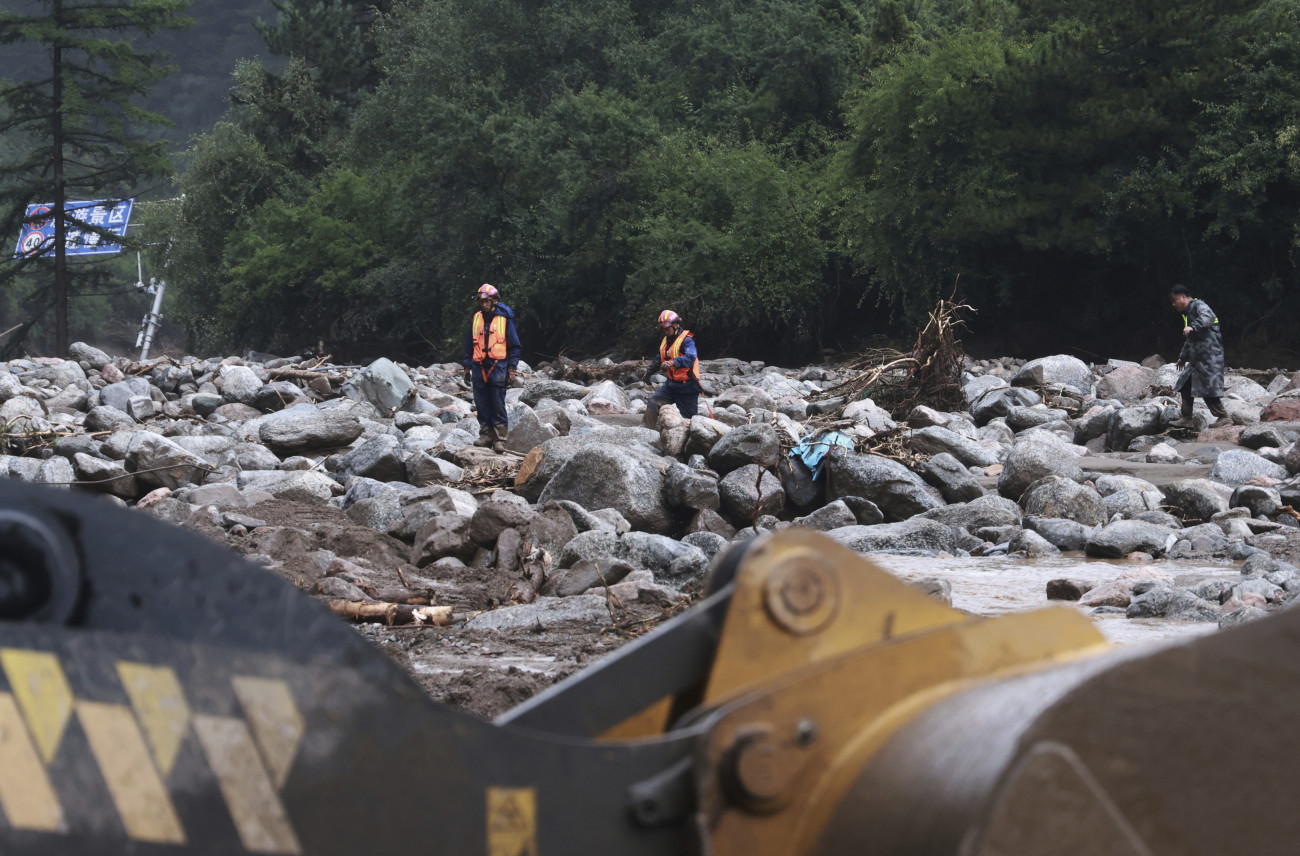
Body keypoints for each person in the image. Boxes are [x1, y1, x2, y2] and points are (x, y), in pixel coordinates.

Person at [462, 283, 521, 452]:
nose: (483, 304)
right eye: (481, 301)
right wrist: (466, 367)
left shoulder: (504, 320)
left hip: (498, 366)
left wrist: (512, 369)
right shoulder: (476, 319)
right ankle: (486, 435)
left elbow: (515, 346)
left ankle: (499, 439)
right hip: (479, 365)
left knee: (497, 402)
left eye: (486, 301)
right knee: (481, 402)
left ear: (494, 301)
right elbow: (469, 344)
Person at [1169, 284, 1228, 428]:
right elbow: (1191, 339)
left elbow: (1208, 316)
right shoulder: (1187, 314)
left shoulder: (1199, 306)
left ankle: (1224, 417)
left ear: (1183, 297)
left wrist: (1193, 326)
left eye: (1174, 300)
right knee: (1185, 384)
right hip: (1198, 358)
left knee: (1207, 389)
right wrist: (1183, 357)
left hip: (1209, 357)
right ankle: (1187, 418)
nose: (1173, 304)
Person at [643, 309, 701, 428]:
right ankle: (646, 431)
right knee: (653, 402)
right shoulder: (665, 340)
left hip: (687, 387)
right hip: (671, 385)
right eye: (662, 328)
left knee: (689, 421)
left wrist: (673, 362)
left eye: (667, 328)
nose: (664, 331)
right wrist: (649, 372)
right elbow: (660, 358)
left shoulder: (687, 340)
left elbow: (690, 357)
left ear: (675, 325)